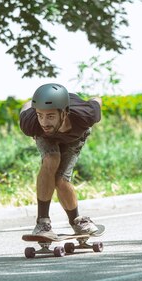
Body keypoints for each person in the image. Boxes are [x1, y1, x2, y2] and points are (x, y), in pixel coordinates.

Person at [19, 83, 102, 238]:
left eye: (50, 116)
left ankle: (76, 221)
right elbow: (26, 105)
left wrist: (93, 100)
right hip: (46, 139)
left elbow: (96, 100)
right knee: (51, 159)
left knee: (61, 180)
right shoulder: (31, 123)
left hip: (75, 137)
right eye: (40, 115)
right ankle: (42, 223)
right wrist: (34, 109)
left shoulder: (86, 115)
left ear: (64, 113)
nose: (44, 122)